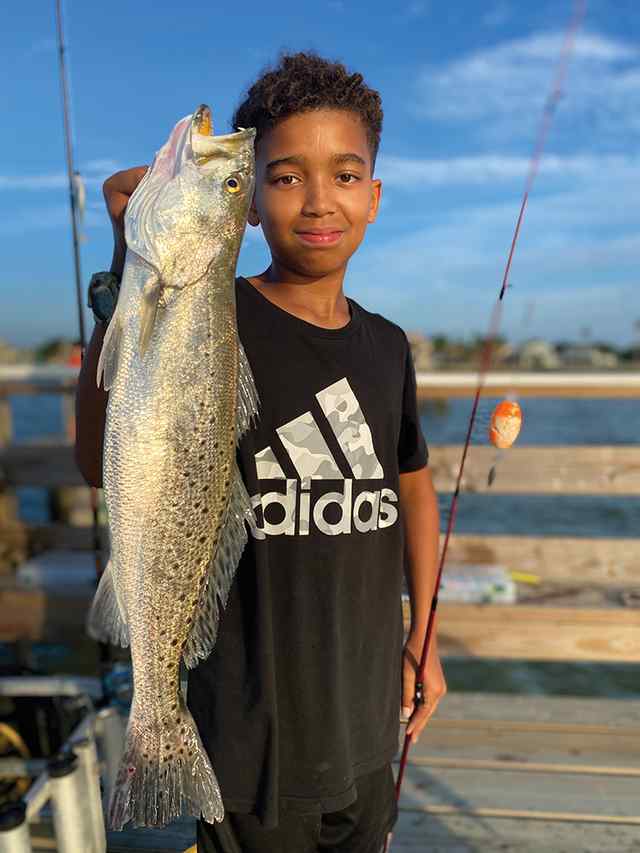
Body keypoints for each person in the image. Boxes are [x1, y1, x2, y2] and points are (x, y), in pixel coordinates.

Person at [75, 51, 446, 853]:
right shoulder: (211, 313)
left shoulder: (389, 347)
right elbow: (93, 455)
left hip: (368, 717)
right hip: (249, 737)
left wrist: (427, 634)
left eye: (345, 175)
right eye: (279, 178)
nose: (318, 200)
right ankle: (156, 726)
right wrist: (123, 265)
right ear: (244, 212)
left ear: (375, 198)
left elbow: (412, 483)